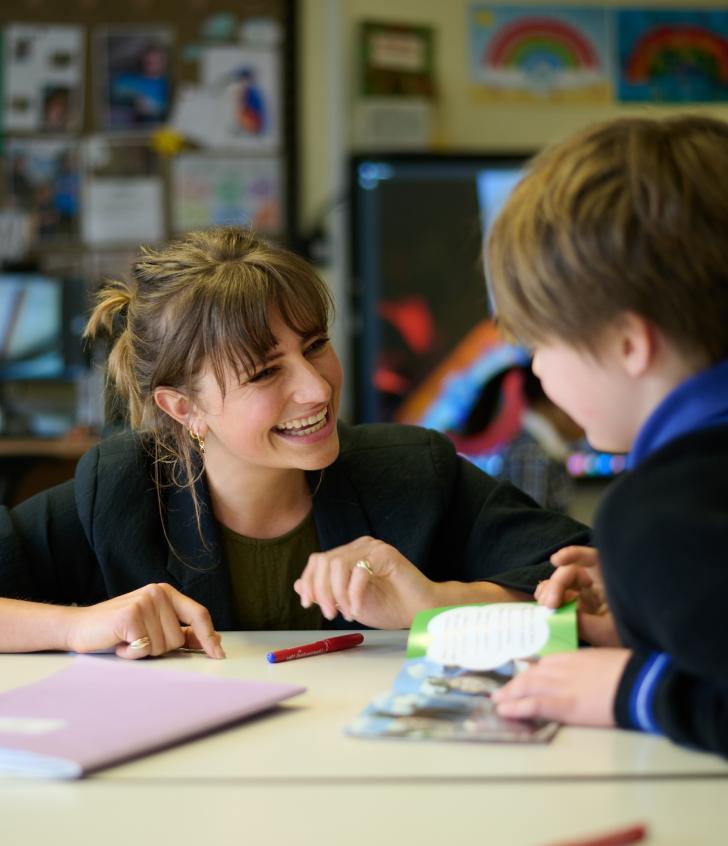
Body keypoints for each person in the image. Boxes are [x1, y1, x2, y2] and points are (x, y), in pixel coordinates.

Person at [0, 227, 590, 658]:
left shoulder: (414, 472)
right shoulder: (119, 489)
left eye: (314, 347)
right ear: (183, 407)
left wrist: (432, 603)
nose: (316, 388)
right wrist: (76, 627)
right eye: (263, 373)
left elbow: (594, 592)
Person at [485, 115, 728, 757]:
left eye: (542, 341)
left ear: (628, 344)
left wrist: (634, 688)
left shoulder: (664, 513)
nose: (535, 367)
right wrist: (654, 610)